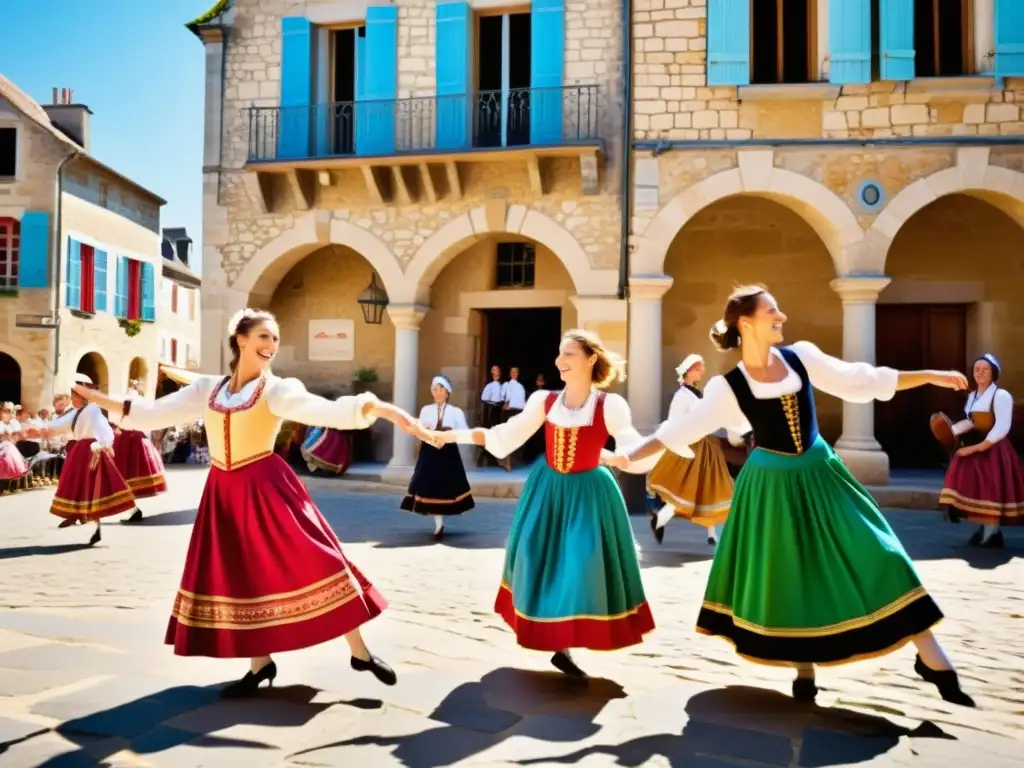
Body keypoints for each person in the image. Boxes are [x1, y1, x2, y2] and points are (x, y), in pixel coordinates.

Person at [605, 285, 975, 707]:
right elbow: (678, 432)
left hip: (822, 474)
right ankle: (805, 667)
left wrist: (926, 376)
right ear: (746, 323)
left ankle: (931, 655)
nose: (781, 315)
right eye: (771, 310)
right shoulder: (728, 387)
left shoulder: (802, 356)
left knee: (878, 552)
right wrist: (627, 457)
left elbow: (861, 379)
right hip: (772, 486)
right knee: (792, 573)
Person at [71, 308, 426, 697]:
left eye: (274, 339)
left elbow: (326, 410)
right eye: (263, 337)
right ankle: (260, 664)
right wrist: (95, 397)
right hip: (223, 493)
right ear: (240, 340)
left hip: (267, 488)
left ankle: (359, 652)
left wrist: (380, 408)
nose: (270, 345)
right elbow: (151, 414)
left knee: (318, 562)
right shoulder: (208, 388)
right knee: (240, 576)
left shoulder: (276, 389)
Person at [430, 330, 660, 678]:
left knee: (583, 563)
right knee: (536, 558)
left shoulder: (609, 405)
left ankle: (570, 635)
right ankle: (561, 645)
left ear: (590, 359)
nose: (559, 361)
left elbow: (632, 449)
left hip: (590, 493)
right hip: (548, 489)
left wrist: (627, 457)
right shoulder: (544, 401)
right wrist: (450, 436)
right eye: (559, 354)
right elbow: (503, 436)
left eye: (568, 354)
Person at [32, 375, 136, 545]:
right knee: (79, 485)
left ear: (83, 397)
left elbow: (105, 431)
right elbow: (59, 426)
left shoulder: (93, 410)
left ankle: (95, 526)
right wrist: (38, 430)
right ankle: (77, 515)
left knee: (92, 489)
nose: (72, 398)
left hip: (91, 451)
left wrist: (101, 444)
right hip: (80, 451)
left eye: (74, 395)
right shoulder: (77, 412)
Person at [646, 354, 736, 546]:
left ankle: (712, 535)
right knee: (687, 492)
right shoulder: (681, 396)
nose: (701, 372)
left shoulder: (696, 394)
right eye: (697, 369)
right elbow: (675, 422)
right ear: (688, 371)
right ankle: (660, 520)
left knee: (711, 489)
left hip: (705, 447)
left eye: (701, 368)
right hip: (690, 446)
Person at [939, 353, 1024, 548]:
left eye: (985, 369)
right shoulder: (973, 395)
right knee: (977, 489)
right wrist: (951, 431)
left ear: (993, 372)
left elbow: (1002, 427)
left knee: (991, 490)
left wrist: (977, 448)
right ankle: (986, 529)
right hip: (976, 446)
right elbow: (971, 421)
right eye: (977, 369)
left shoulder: (1001, 396)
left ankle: (992, 532)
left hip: (994, 449)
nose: (980, 372)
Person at [401, 376, 474, 540]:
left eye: (441, 389)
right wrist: (430, 437)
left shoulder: (456, 412)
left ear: (447, 392)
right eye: (435, 389)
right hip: (430, 451)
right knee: (429, 485)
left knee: (446, 487)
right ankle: (438, 524)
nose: (438, 393)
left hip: (448, 453)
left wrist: (449, 435)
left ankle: (441, 521)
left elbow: (464, 432)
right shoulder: (426, 410)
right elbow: (419, 430)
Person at [112, 380, 167, 524]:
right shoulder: (142, 403)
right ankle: (131, 508)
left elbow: (116, 421)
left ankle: (131, 508)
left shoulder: (123, 401)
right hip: (138, 438)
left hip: (126, 439)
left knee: (121, 476)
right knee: (127, 475)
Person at [477, 365, 506, 468]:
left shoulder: (502, 386)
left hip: (498, 411)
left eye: (498, 370)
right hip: (491, 411)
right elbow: (484, 399)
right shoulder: (489, 386)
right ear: (492, 372)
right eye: (495, 370)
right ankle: (482, 459)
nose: (497, 372)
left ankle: (492, 459)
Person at [0, 403, 30, 494]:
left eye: (10, 412)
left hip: (11, 446)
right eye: (6, 411)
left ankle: (10, 487)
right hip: (2, 446)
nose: (8, 413)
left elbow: (21, 434)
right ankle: (3, 488)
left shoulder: (14, 423)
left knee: (12, 466)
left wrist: (13, 436)